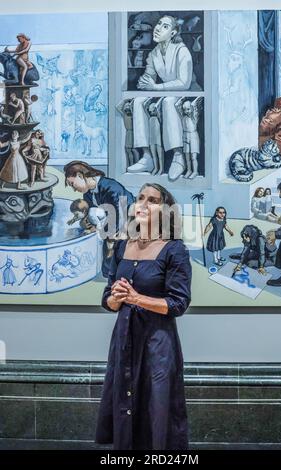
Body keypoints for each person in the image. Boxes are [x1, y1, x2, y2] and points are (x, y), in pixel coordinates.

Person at [95, 183, 192, 450]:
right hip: (124, 340)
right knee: (125, 404)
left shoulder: (175, 250)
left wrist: (136, 298)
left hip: (157, 344)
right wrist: (116, 297)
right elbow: (108, 300)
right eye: (140, 198)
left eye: (153, 200)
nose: (144, 204)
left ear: (165, 210)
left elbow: (178, 303)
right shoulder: (123, 246)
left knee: (157, 407)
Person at [128, 15, 193, 176]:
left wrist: (155, 87)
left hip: (187, 95)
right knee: (138, 101)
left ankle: (178, 157)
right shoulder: (154, 54)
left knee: (168, 102)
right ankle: (147, 156)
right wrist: (145, 82)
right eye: (158, 24)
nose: (158, 28)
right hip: (164, 91)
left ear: (173, 33)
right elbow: (149, 77)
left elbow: (184, 83)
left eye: (165, 26)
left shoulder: (182, 51)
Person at [64, 161, 135, 278]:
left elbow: (121, 212)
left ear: (80, 175)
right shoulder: (88, 195)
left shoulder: (111, 187)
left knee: (112, 246)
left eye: (72, 184)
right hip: (111, 223)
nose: (73, 189)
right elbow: (92, 215)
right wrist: (88, 224)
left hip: (128, 219)